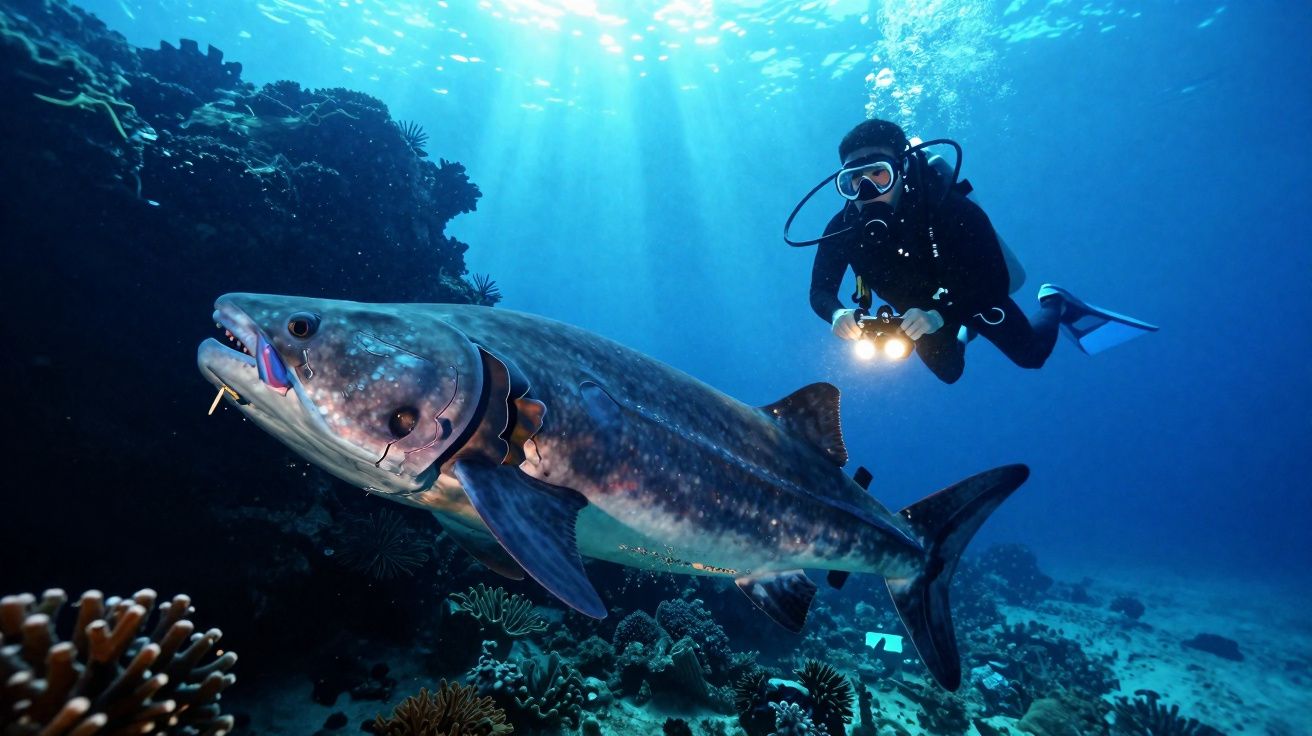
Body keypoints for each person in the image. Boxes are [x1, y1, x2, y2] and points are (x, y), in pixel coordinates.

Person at [805, 119, 1153, 383]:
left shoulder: (949, 209)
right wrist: (837, 314)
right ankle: (963, 330)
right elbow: (820, 289)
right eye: (854, 179)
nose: (866, 189)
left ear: (902, 168)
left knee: (1031, 355)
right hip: (918, 313)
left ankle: (1055, 302)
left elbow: (996, 280)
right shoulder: (843, 228)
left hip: (973, 293)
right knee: (948, 372)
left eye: (879, 174)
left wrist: (940, 315)